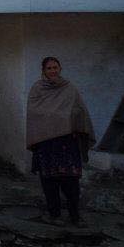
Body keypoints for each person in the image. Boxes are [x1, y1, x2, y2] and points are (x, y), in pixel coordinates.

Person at [26, 57, 95, 227]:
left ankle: (75, 217)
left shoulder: (69, 88)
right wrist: (59, 117)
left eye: (55, 67)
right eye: (49, 68)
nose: (53, 71)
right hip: (46, 144)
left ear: (60, 68)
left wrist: (68, 119)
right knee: (49, 182)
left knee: (71, 182)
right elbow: (35, 113)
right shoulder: (37, 89)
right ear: (43, 70)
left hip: (67, 143)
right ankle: (54, 215)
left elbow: (80, 110)